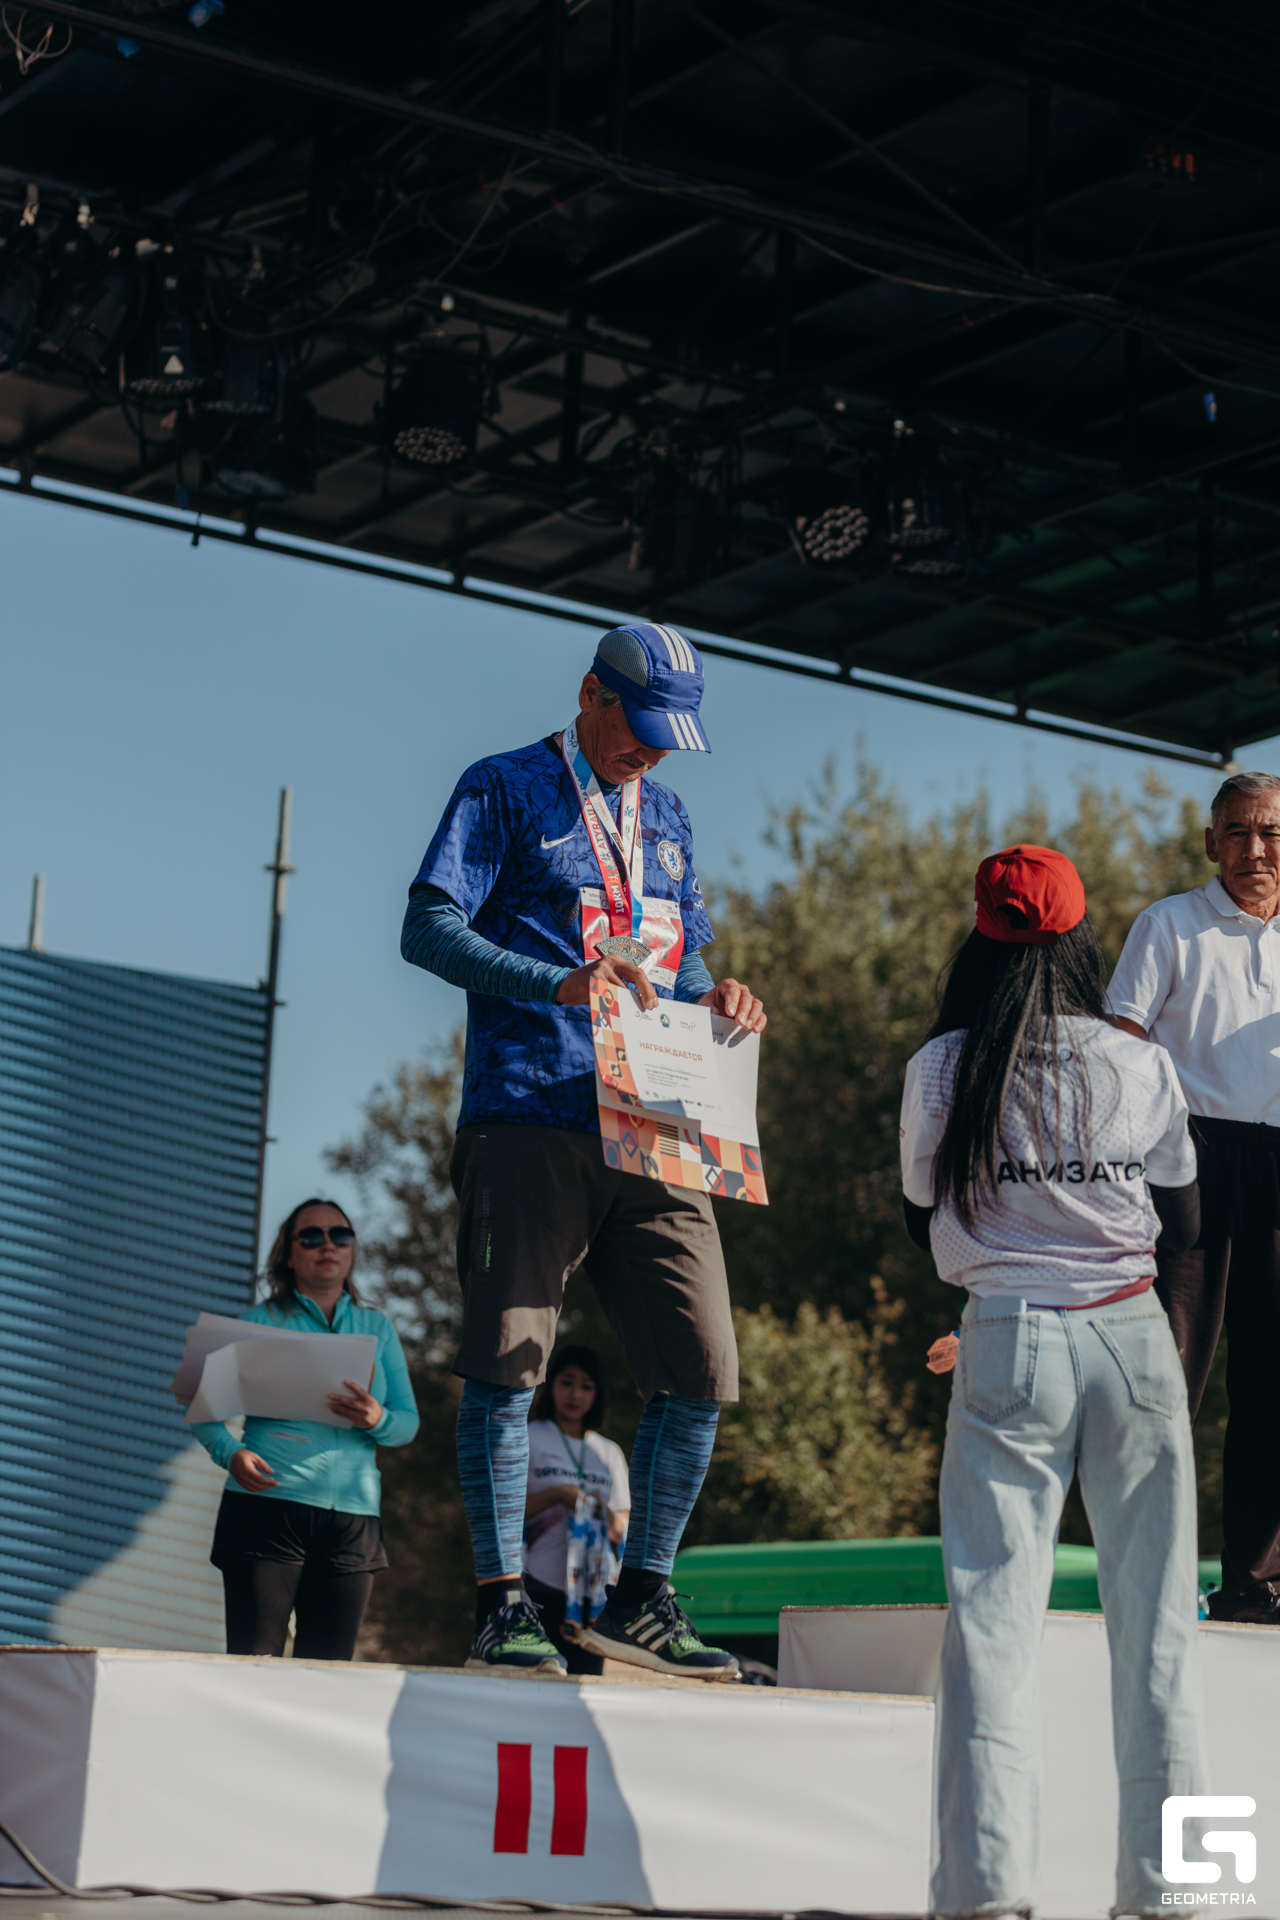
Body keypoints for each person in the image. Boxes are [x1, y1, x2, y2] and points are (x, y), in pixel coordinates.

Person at [402, 622, 765, 1678]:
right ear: (588, 696)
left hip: (656, 1123)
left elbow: (679, 961)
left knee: (701, 1368)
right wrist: (554, 981)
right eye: (638, 725)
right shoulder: (502, 785)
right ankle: (501, 1606)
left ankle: (644, 1596)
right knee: (509, 1364)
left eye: (668, 736)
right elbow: (426, 929)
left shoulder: (670, 814)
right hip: (528, 1112)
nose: (649, 750)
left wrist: (718, 995)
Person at [899, 844, 1207, 1919]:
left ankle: (986, 1896)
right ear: (1080, 940)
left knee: (991, 1626)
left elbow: (918, 1218)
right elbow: (1184, 1220)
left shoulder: (943, 1066)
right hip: (1131, 1340)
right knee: (1162, 1631)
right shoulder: (1137, 1062)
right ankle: (1179, 1896)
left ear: (980, 937)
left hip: (1007, 1338)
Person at [1108, 768, 1280, 1624]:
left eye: (1270, 831)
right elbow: (1118, 1045)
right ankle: (1147, 1584)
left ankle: (1256, 1586)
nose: (1255, 848)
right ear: (1212, 844)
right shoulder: (1168, 924)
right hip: (1188, 1162)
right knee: (1164, 1383)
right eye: (1237, 832)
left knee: (1273, 1389)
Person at [191, 1198, 419, 1661]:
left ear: (352, 1250)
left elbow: (408, 1424)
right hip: (265, 1509)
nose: (327, 1245)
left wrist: (378, 1419)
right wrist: (230, 1453)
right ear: (288, 1255)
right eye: (312, 1237)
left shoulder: (378, 1327)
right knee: (254, 1665)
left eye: (341, 1235)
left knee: (326, 1677)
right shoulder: (255, 1323)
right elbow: (203, 1410)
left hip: (353, 1521)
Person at [523, 1345, 630, 1676]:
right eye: (567, 1382)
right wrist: (559, 1495)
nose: (575, 1394)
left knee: (584, 1683)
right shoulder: (529, 1437)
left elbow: (622, 1527)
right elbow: (506, 1511)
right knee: (536, 1682)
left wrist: (600, 1511)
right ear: (551, 1384)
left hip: (591, 1596)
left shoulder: (608, 1452)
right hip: (536, 1583)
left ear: (597, 1394)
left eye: (586, 1386)